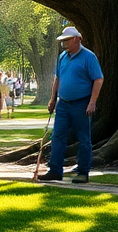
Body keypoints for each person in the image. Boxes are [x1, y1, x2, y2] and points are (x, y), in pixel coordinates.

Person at [37, 26, 104, 184]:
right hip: (63, 104)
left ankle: (82, 172)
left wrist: (92, 101)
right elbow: (58, 79)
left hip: (81, 103)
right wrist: (53, 99)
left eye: (66, 40)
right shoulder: (62, 57)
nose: (64, 44)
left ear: (76, 39)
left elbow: (98, 79)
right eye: (63, 41)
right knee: (58, 136)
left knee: (84, 138)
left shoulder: (89, 57)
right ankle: (55, 170)